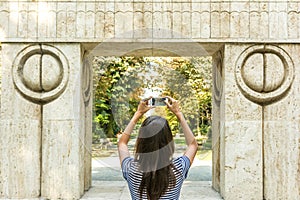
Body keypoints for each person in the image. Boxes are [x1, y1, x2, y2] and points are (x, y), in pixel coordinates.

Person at [118, 96, 198, 200]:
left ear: (142, 141)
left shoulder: (131, 169)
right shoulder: (178, 168)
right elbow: (193, 145)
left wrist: (138, 113)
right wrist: (178, 113)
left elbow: (122, 143)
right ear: (168, 142)